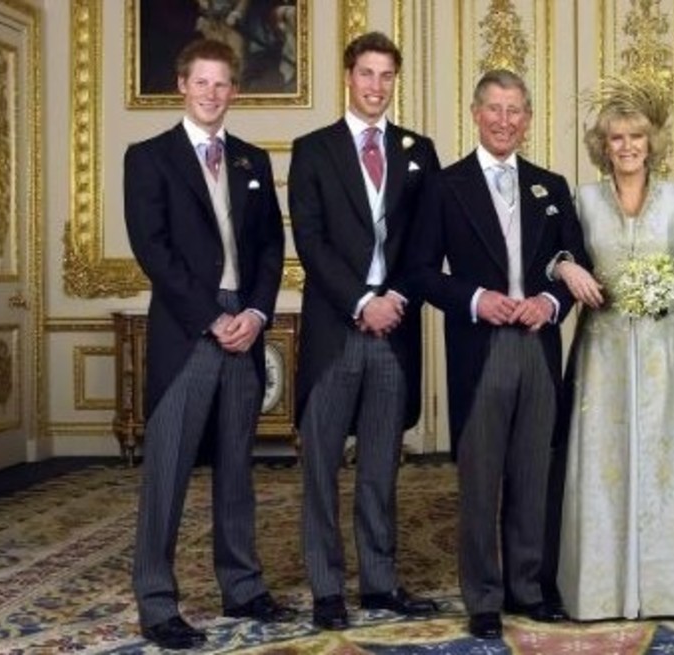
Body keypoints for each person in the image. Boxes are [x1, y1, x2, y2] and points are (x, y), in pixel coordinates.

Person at [411, 69, 590, 640]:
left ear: (528, 119)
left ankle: (528, 589)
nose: (504, 121)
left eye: (515, 111)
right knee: (481, 479)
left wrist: (549, 302)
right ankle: (484, 597)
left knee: (533, 474)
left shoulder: (550, 186)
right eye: (494, 109)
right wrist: (475, 299)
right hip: (480, 348)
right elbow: (420, 271)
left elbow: (575, 262)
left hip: (537, 346)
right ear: (475, 113)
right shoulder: (446, 186)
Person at [124, 38, 288, 650]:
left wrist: (256, 312)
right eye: (202, 83)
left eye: (222, 84)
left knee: (237, 468)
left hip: (245, 326)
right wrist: (211, 317)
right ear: (181, 85)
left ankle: (242, 586)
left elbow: (270, 246)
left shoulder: (251, 160)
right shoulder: (150, 158)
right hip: (187, 330)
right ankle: (156, 603)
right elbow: (153, 250)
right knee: (167, 472)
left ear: (234, 91)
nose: (212, 94)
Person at [288, 31, 442, 631]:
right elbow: (312, 241)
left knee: (380, 468)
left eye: (386, 75)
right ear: (349, 76)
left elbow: (426, 239)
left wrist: (394, 299)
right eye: (367, 73)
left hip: (394, 331)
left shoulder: (418, 151)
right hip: (337, 329)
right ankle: (327, 589)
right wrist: (361, 302)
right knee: (321, 468)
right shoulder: (313, 149)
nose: (376, 86)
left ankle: (380, 584)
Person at [551, 79, 674, 620]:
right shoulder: (584, 200)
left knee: (665, 463)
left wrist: (668, 295)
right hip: (603, 353)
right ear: (603, 145)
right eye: (616, 138)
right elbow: (559, 256)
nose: (627, 146)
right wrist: (565, 268)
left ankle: (670, 591)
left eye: (636, 136)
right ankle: (599, 592)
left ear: (651, 141)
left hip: (663, 354)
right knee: (603, 466)